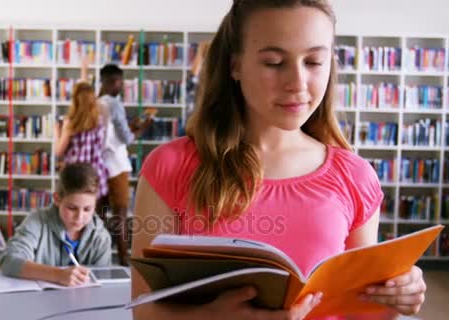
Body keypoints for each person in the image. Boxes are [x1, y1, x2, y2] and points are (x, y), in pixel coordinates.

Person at [131, 1, 427, 319]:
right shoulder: (170, 166)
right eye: (273, 62)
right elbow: (144, 310)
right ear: (235, 65)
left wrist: (395, 299)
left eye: (314, 61)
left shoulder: (355, 177)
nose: (297, 83)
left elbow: (362, 311)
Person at [0, 162, 112, 286]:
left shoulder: (101, 237)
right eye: (72, 208)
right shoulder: (37, 221)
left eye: (87, 209)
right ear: (57, 199)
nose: (79, 217)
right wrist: (57, 275)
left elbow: (102, 282)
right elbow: (9, 261)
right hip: (40, 302)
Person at [98, 63, 154, 266]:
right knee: (120, 213)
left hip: (99, 166)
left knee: (99, 213)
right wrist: (143, 128)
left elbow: (110, 133)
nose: (121, 86)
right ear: (115, 81)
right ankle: (123, 258)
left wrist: (131, 126)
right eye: (121, 82)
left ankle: (98, 255)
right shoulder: (114, 104)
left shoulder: (96, 103)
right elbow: (126, 139)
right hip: (116, 166)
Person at [55, 57, 109, 199]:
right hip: (95, 175)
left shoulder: (70, 123)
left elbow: (58, 151)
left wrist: (56, 131)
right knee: (91, 214)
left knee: (76, 215)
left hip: (76, 177)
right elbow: (86, 95)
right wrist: (84, 72)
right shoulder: (98, 120)